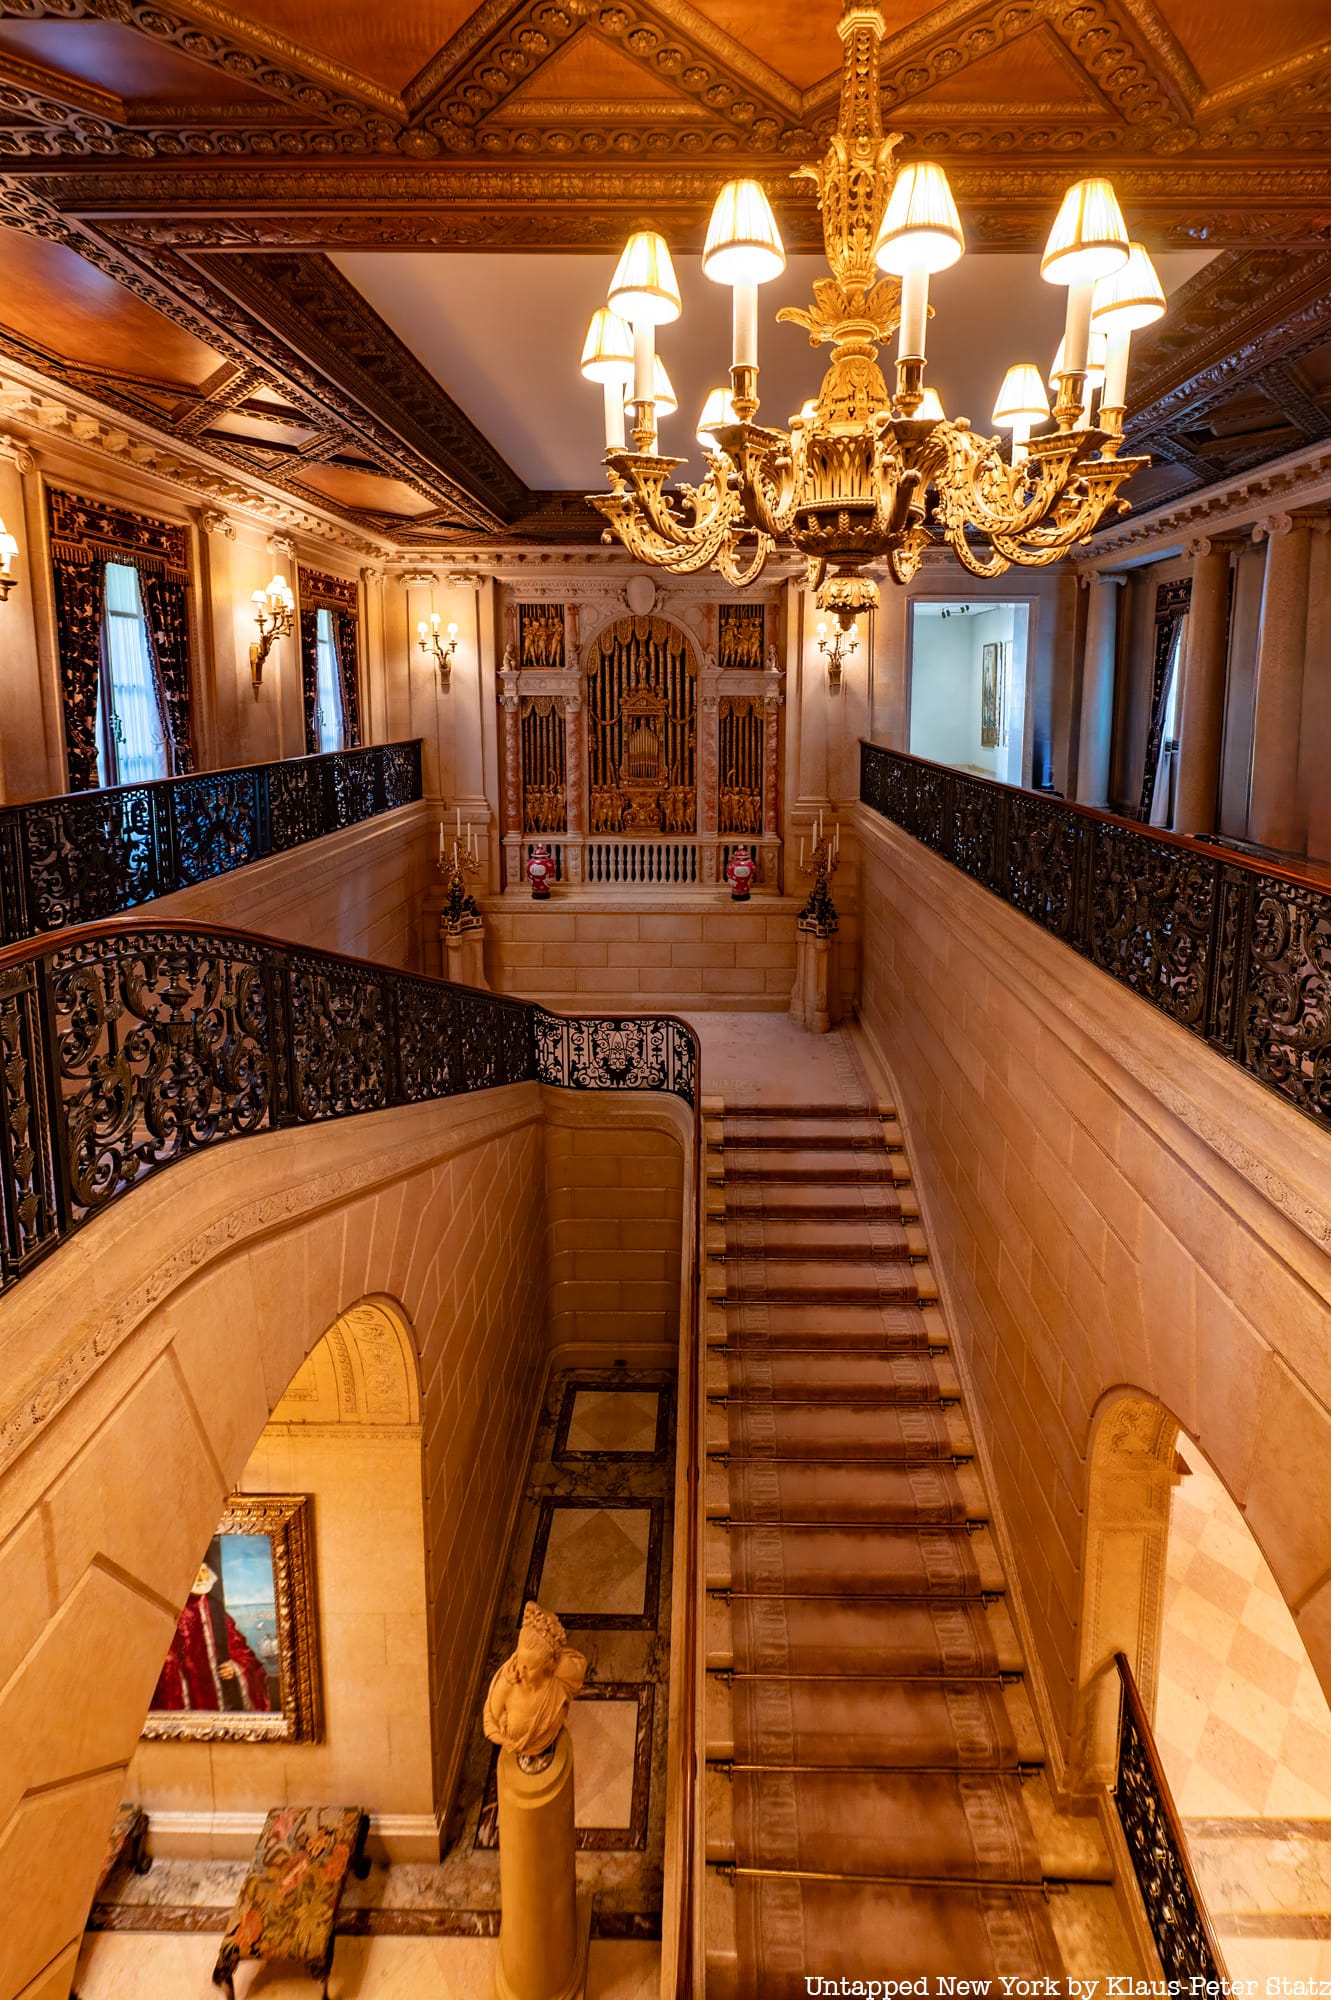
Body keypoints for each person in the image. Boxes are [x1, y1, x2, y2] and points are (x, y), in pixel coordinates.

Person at [152, 1543, 271, 1713]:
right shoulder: (170, 1610)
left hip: (220, 1696)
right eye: (195, 1573)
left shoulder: (216, 1612)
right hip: (186, 1695)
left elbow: (240, 1650)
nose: (200, 1578)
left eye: (203, 1572)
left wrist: (236, 1667)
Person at [482, 1602, 585, 1757]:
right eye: (520, 1662)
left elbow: (577, 1673)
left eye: (529, 1668)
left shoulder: (558, 1684)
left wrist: (554, 1654)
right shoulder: (507, 1685)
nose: (521, 1672)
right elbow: (490, 1725)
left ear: (547, 1665)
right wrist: (510, 1743)